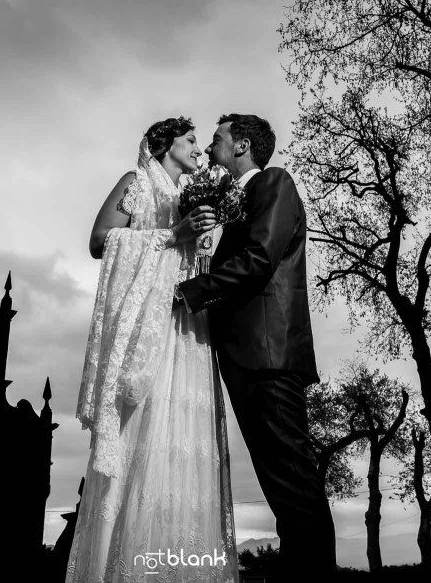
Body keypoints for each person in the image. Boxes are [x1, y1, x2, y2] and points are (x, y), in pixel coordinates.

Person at [67, 117, 239, 583]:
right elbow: (100, 241)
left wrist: (200, 240)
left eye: (201, 143)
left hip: (186, 328)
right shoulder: (136, 183)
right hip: (146, 326)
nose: (199, 150)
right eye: (190, 141)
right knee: (140, 433)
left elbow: (197, 262)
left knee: (183, 439)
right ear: (164, 144)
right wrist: (170, 235)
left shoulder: (193, 195)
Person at [176, 114, 337, 583]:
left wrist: (193, 290)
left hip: (268, 356)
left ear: (242, 144)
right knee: (281, 488)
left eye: (217, 139)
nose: (209, 147)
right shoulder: (237, 201)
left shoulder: (273, 182)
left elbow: (260, 257)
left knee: (294, 487)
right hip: (248, 359)